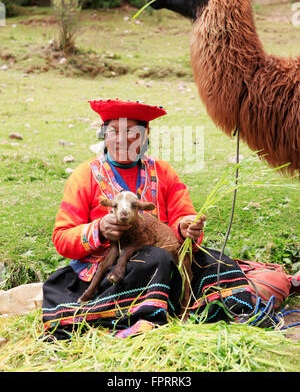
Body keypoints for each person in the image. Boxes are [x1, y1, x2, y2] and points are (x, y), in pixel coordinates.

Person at [42, 99, 255, 341]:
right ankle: (141, 319)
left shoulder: (163, 172)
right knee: (155, 260)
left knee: (217, 262)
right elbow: (62, 237)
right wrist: (99, 229)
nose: (122, 141)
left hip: (167, 258)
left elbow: (182, 217)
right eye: (114, 132)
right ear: (104, 135)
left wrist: (186, 228)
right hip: (111, 267)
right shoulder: (85, 175)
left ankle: (237, 314)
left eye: (133, 134)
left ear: (145, 137)